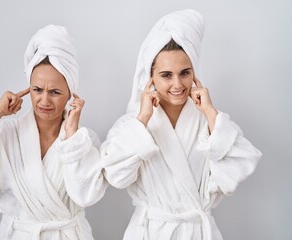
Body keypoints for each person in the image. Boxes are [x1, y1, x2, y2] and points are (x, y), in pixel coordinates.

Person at [101, 9, 262, 240]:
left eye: (184, 73)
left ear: (194, 74)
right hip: (149, 232)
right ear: (150, 78)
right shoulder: (133, 124)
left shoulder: (208, 121)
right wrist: (143, 119)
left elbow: (238, 168)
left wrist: (209, 111)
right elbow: (116, 176)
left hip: (197, 231)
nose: (177, 84)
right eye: (166, 75)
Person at [0, 25, 107, 240]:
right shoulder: (7, 134)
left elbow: (86, 196)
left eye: (55, 92)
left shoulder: (83, 140)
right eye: (37, 90)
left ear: (70, 95)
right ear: (29, 88)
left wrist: (72, 136)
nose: (44, 101)